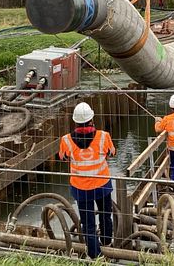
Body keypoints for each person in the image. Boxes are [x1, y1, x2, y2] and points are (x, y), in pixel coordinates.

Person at [58, 102, 115, 259]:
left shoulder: (66, 140)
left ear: (75, 121)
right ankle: (107, 242)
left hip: (80, 188)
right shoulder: (104, 136)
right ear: (92, 119)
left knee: (88, 224)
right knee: (105, 215)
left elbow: (63, 157)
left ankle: (95, 256)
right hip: (102, 185)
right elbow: (112, 153)